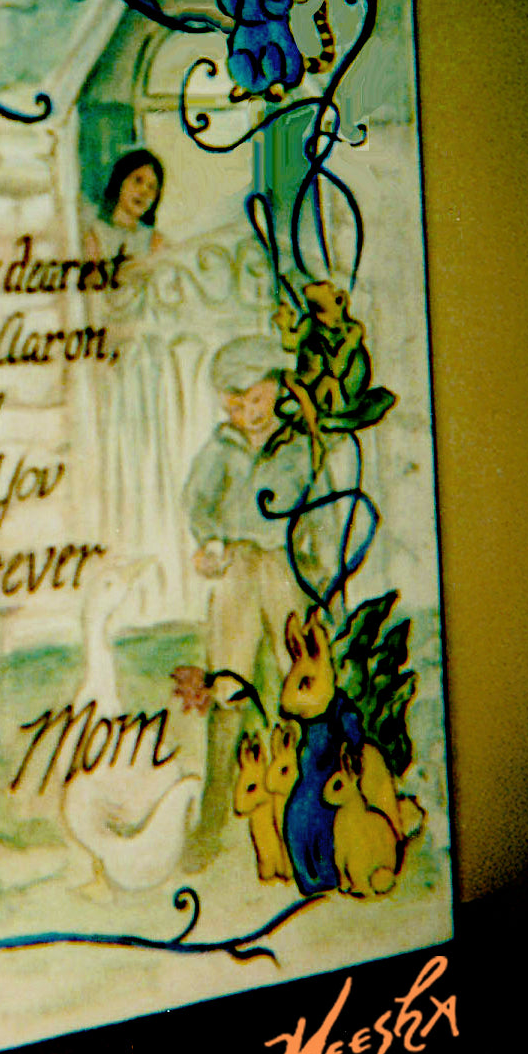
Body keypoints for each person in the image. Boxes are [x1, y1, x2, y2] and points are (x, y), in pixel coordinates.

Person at [183, 334, 317, 709]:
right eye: (236, 407)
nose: (249, 414)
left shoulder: (298, 446)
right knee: (231, 644)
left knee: (294, 642)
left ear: (277, 388)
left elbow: (317, 504)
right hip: (237, 557)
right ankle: (230, 709)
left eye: (257, 400)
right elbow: (198, 501)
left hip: (283, 558)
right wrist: (210, 541)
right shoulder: (222, 448)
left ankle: (302, 716)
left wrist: (316, 556)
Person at [85, 148, 165, 259]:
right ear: (120, 181)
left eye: (151, 187)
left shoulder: (155, 241)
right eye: (138, 180)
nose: (144, 192)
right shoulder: (95, 234)